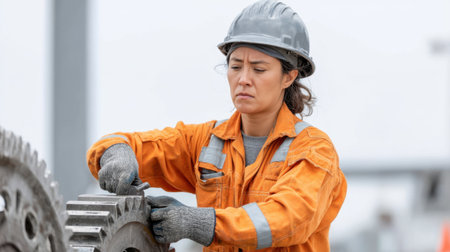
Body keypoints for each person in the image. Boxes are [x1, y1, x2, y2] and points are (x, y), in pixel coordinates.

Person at [86, 0, 347, 251]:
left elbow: (288, 218)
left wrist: (202, 223)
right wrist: (116, 153)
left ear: (288, 77)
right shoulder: (207, 141)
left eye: (258, 69)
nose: (243, 79)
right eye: (235, 66)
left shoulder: (313, 150)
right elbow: (120, 143)